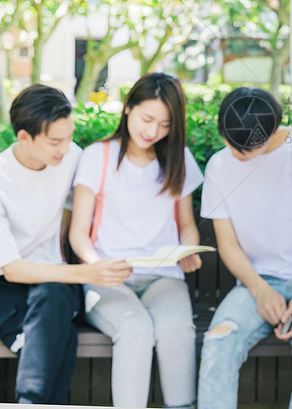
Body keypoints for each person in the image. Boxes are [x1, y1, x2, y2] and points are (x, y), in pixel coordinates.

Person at [0, 84, 132, 404]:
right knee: (56, 332)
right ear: (24, 137)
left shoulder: (71, 158)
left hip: (53, 284)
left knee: (51, 304)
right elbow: (12, 269)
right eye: (54, 141)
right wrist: (88, 274)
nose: (65, 148)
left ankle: (30, 400)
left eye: (69, 137)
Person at [197, 87, 292, 409]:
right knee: (218, 343)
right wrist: (259, 290)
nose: (237, 151)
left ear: (272, 131)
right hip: (258, 280)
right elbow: (227, 243)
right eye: (231, 142)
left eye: (249, 146)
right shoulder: (218, 166)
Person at [68, 72, 202, 409]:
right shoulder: (97, 156)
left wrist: (188, 249)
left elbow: (187, 225)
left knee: (177, 333)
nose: (153, 131)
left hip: (164, 277)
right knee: (135, 331)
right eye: (147, 119)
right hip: (107, 278)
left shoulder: (178, 159)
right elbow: (78, 234)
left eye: (165, 124)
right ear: (128, 107)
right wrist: (97, 267)